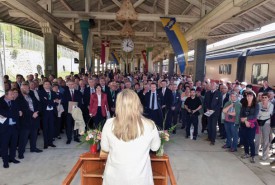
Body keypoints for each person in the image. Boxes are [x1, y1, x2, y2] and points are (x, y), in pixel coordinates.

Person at [101, 89, 160, 185]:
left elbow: (105, 148)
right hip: (140, 178)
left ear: (118, 105)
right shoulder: (150, 125)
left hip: (115, 177)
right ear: (137, 104)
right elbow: (155, 147)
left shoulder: (109, 123)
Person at [17, 83, 42, 159]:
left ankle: (33, 148)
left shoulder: (31, 94)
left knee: (34, 135)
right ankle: (21, 152)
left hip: (35, 118)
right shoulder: (19, 98)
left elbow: (38, 103)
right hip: (25, 120)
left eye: (28, 88)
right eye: (26, 88)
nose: (28, 89)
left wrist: (37, 112)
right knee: (23, 138)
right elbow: (23, 109)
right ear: (22, 89)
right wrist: (32, 114)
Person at [0, 89, 21, 168]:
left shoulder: (14, 102)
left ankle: (12, 158)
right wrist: (14, 113)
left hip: (14, 127)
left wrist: (12, 113)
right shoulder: (1, 102)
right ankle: (5, 161)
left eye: (13, 94)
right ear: (6, 95)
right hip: (5, 128)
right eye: (11, 94)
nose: (13, 95)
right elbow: (3, 113)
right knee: (4, 145)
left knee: (14, 144)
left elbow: (17, 113)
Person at [240, 90, 259, 163]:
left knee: (250, 140)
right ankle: (246, 153)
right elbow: (241, 114)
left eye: (250, 96)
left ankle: (253, 155)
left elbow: (255, 115)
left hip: (252, 125)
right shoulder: (244, 104)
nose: (249, 97)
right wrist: (245, 121)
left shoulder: (256, 105)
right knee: (244, 139)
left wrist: (246, 119)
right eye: (248, 96)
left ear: (253, 97)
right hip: (244, 124)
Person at [255, 92, 273, 161]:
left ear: (268, 98)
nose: (264, 99)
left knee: (266, 139)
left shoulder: (271, 105)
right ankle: (255, 152)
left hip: (267, 123)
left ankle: (265, 155)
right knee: (257, 138)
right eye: (263, 97)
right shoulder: (258, 104)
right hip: (258, 122)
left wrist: (262, 113)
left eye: (266, 97)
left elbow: (269, 113)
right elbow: (257, 113)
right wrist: (264, 112)